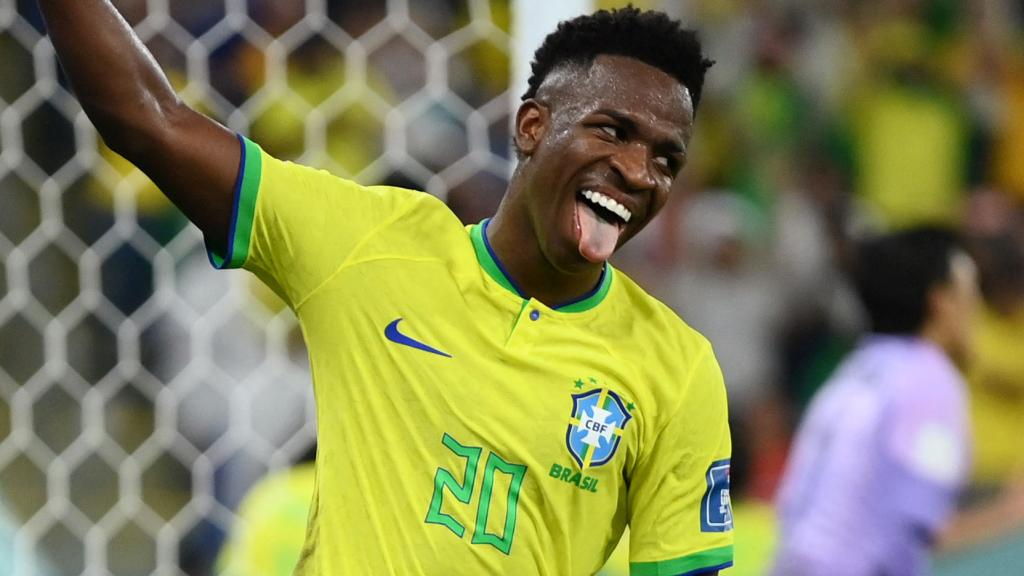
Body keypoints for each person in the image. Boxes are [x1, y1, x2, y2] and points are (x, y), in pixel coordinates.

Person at [34, 3, 733, 574]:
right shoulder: (371, 244)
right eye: (614, 131)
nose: (640, 172)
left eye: (666, 158)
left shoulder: (676, 370)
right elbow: (148, 115)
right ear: (532, 126)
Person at [772, 227, 979, 575]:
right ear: (940, 302)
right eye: (971, 293)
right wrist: (1010, 512)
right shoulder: (929, 380)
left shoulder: (858, 369)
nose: (977, 310)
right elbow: (915, 531)